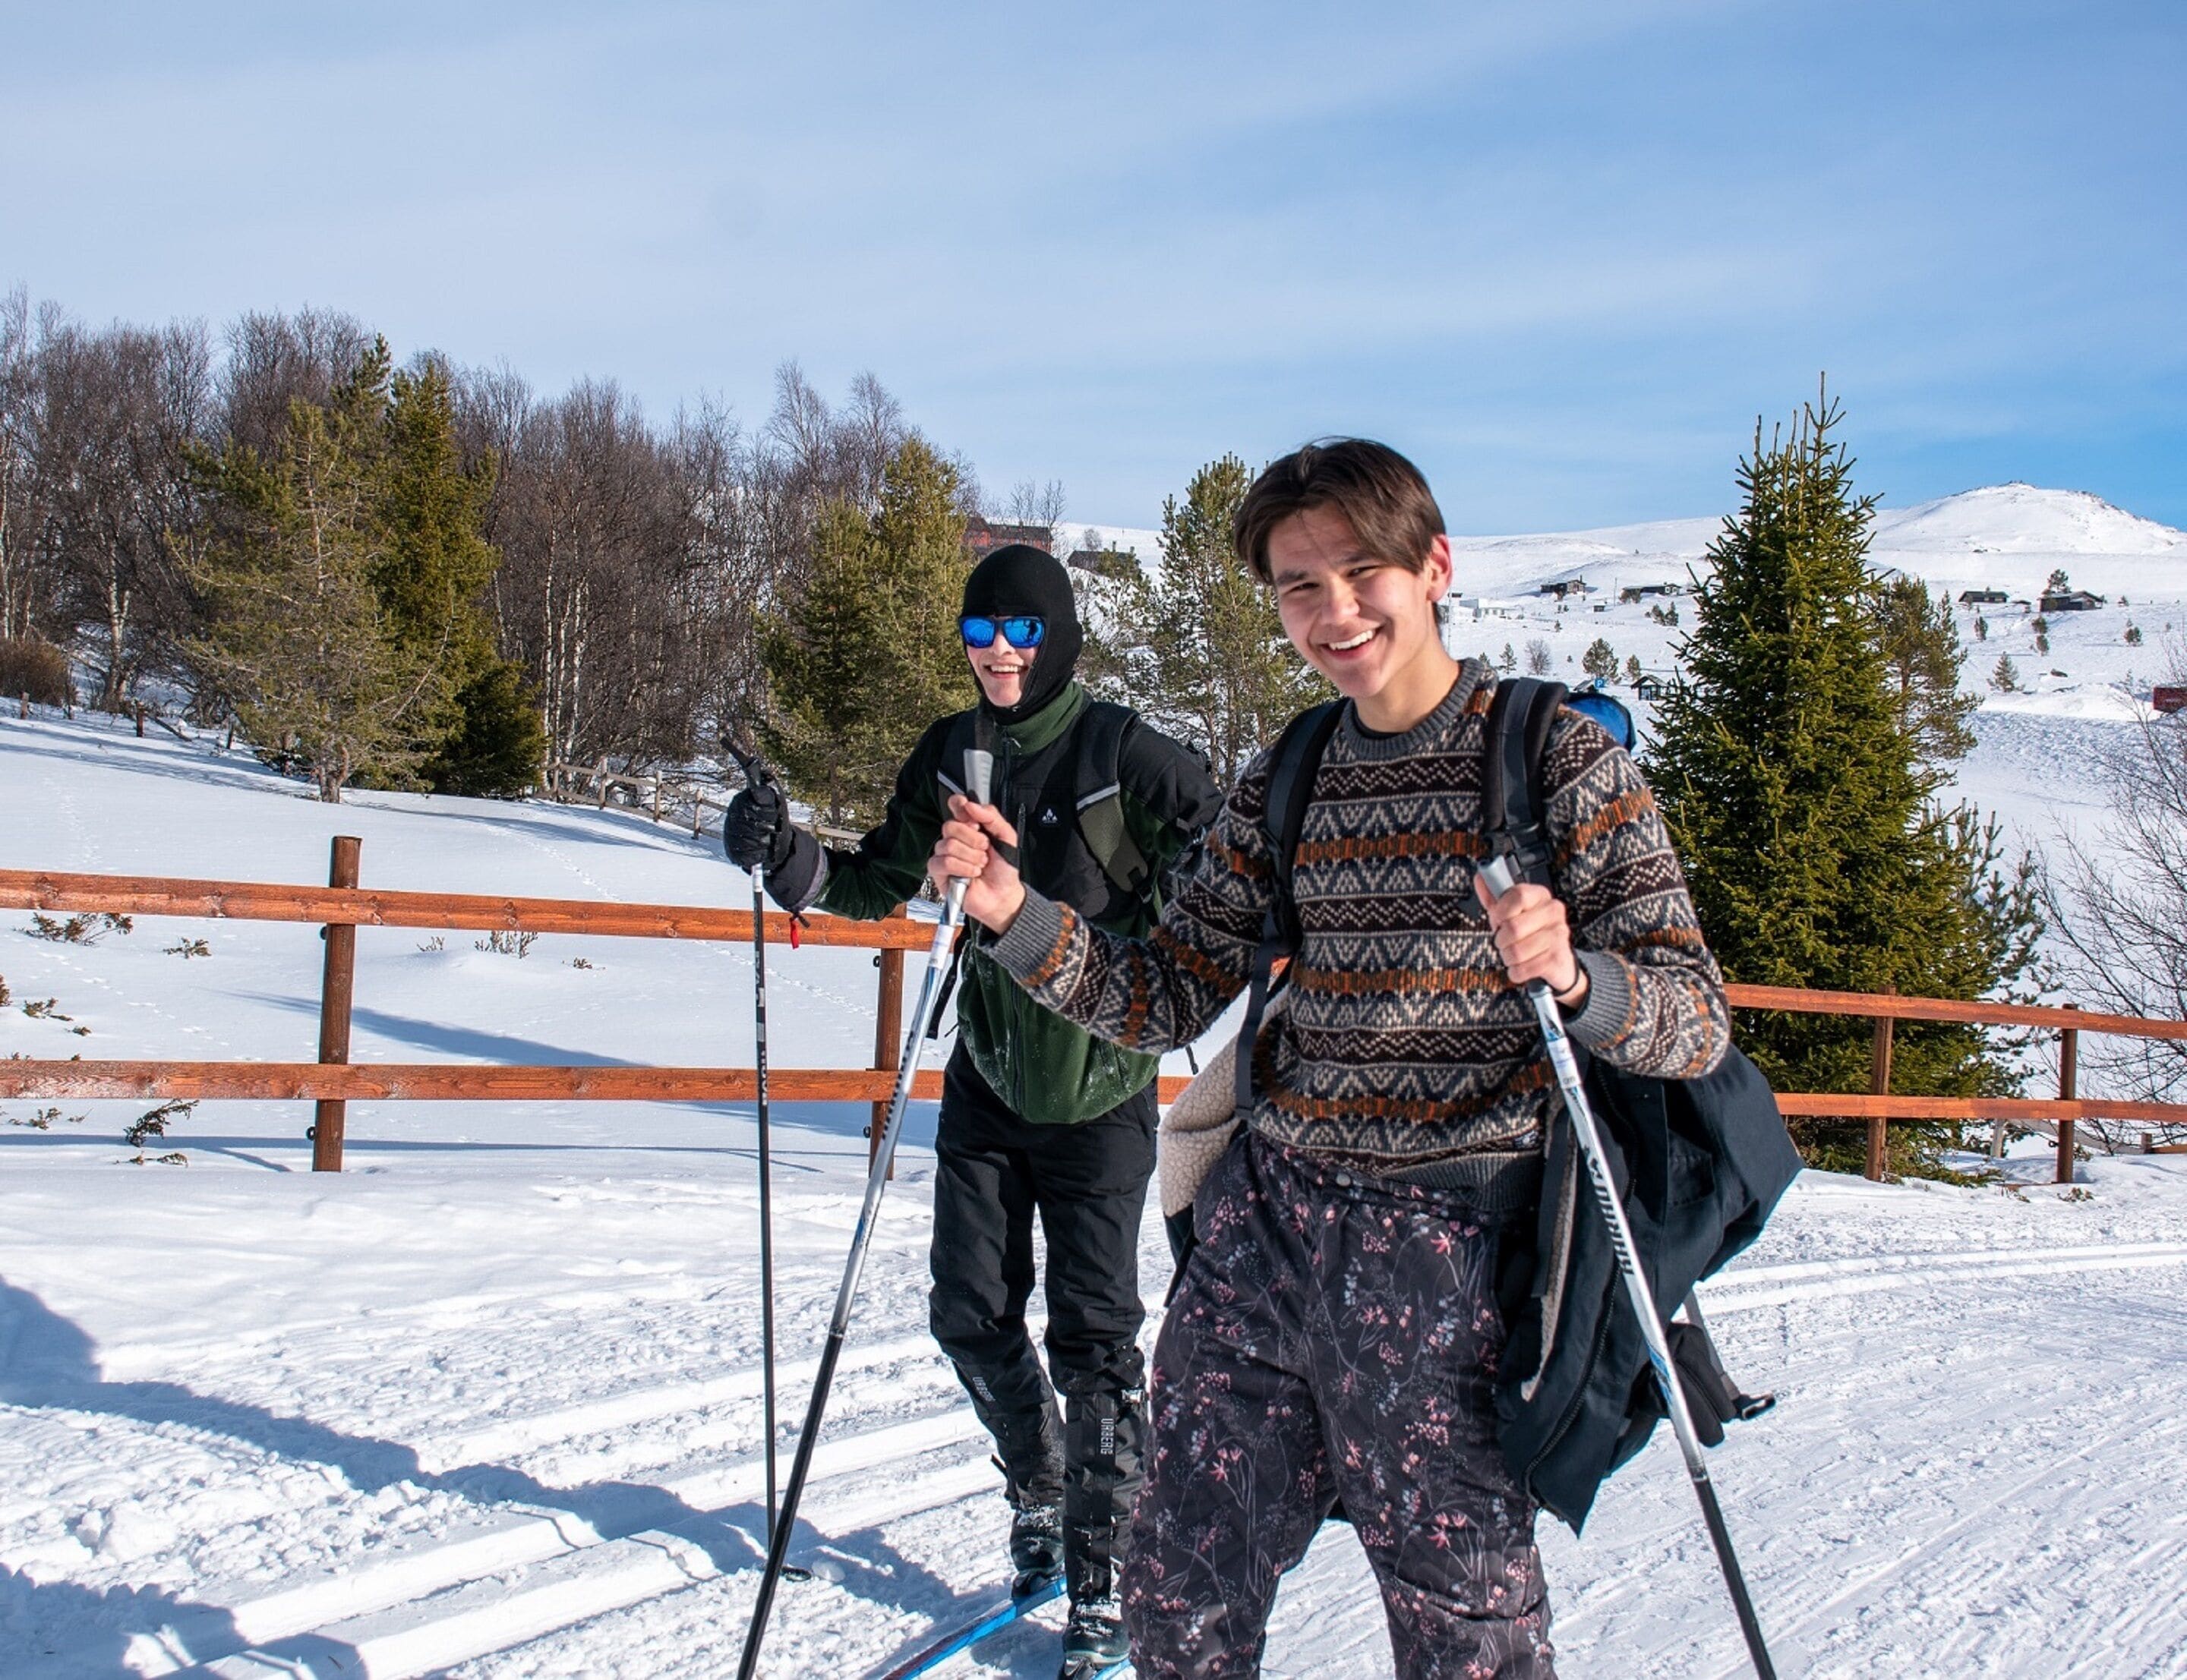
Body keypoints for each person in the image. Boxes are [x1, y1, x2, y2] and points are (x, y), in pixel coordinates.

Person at [929, 442, 1733, 1679]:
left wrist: (1578, 976)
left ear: (1435, 565)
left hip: (1451, 1255)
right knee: (1175, 1597)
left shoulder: (1558, 759)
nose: (1334, 609)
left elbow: (1695, 1018)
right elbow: (1159, 993)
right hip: (1267, 1234)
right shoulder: (1290, 774)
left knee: (1467, 1642)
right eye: (1301, 584)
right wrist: (1008, 908)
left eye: (1363, 572)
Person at [724, 543, 1221, 1677]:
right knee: (967, 1314)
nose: (1000, 653)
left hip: (1101, 1091)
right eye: (980, 632)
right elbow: (869, 879)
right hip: (989, 1083)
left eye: (1022, 631)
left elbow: (1226, 859)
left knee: (1095, 1343)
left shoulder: (1119, 751)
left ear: (1060, 637)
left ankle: (1107, 1579)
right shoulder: (952, 750)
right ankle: (1039, 1487)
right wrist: (780, 852)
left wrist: (1142, 916)